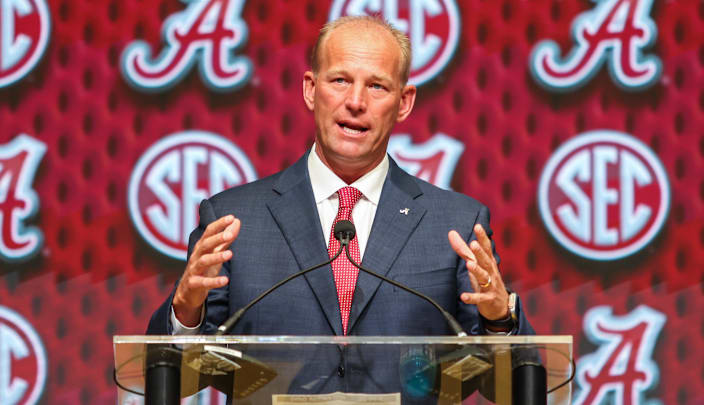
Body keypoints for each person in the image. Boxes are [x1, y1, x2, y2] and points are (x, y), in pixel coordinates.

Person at [147, 15, 534, 394]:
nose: (355, 102)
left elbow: (506, 382)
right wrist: (186, 313)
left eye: (377, 86)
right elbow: (176, 376)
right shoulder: (234, 220)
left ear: (404, 102)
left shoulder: (455, 224)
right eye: (340, 80)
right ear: (311, 89)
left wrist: (499, 322)